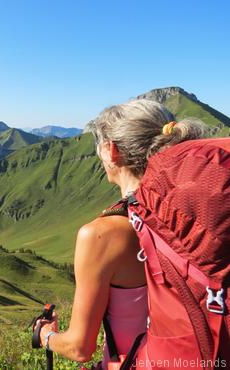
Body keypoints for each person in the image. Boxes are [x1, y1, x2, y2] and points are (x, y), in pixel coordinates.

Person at [36, 99, 205, 368]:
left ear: (112, 151)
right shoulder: (200, 217)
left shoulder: (101, 235)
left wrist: (45, 334)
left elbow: (80, 348)